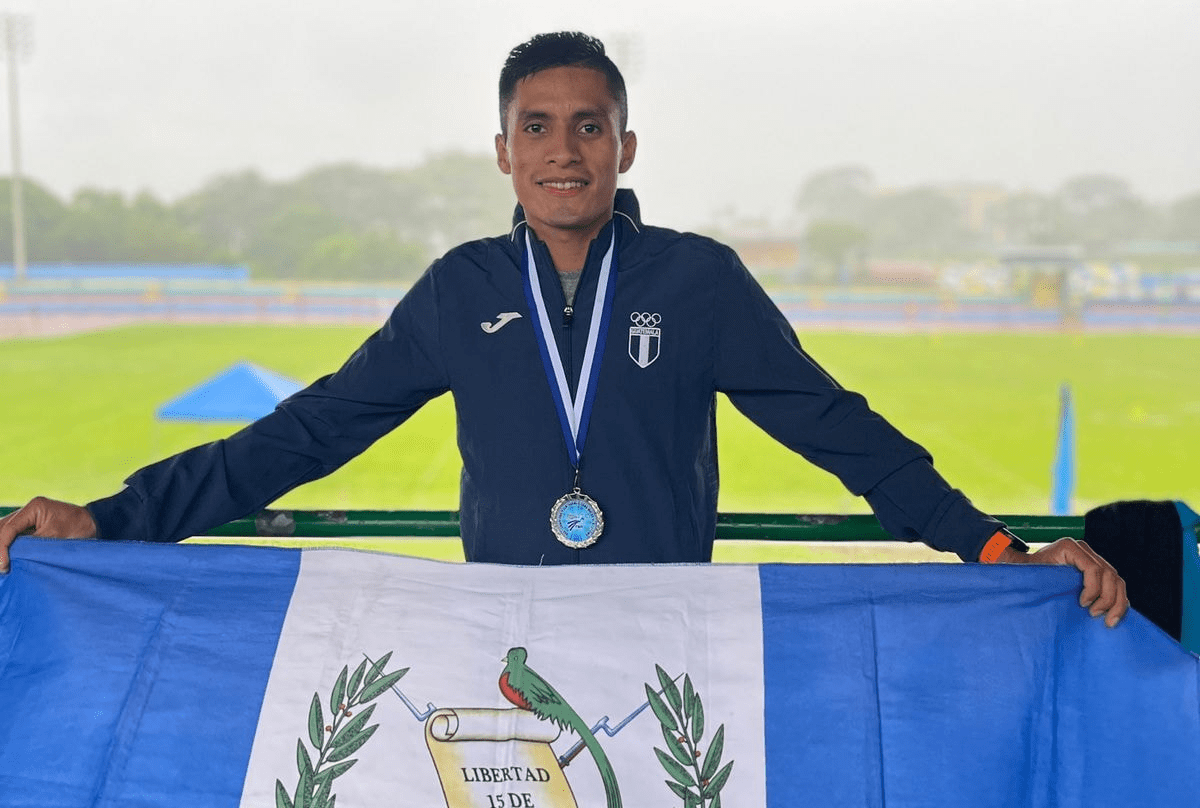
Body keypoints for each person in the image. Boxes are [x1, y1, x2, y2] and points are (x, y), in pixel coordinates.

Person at [0, 32, 1127, 626]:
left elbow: (837, 429)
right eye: (536, 127)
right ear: (503, 152)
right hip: (506, 638)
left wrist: (996, 549)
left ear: (625, 147)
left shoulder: (699, 281)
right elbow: (303, 435)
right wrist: (108, 518)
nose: (563, 150)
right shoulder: (460, 288)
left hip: (671, 636)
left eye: (589, 126)